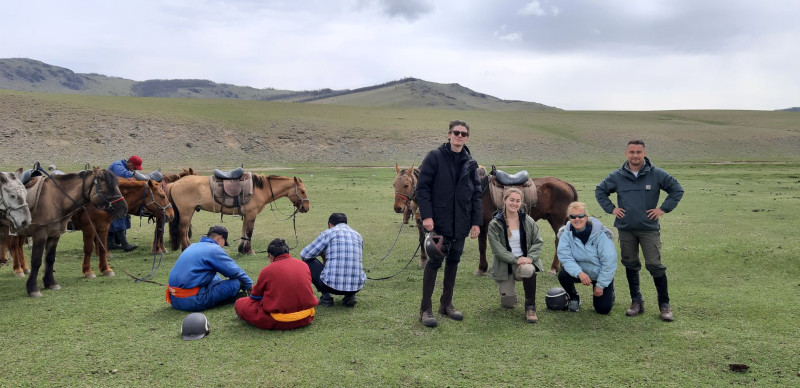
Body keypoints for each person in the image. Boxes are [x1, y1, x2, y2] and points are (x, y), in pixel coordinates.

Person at [595, 140, 684, 321]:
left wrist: (663, 209)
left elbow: (677, 190)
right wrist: (612, 209)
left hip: (649, 229)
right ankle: (636, 302)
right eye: (631, 152)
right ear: (626, 154)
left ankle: (664, 305)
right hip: (626, 228)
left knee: (655, 265)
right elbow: (600, 191)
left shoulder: (657, 174)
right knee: (630, 264)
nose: (635, 155)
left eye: (638, 152)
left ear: (645, 153)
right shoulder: (617, 175)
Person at [415, 120, 482, 327]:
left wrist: (476, 222)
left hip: (461, 223)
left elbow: (477, 195)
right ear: (449, 134)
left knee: (454, 262)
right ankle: (426, 309)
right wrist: (427, 216)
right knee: (434, 262)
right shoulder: (434, 157)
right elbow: (423, 188)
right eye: (456, 132)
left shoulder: (470, 163)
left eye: (463, 133)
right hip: (439, 222)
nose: (459, 136)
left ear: (467, 137)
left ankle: (446, 304)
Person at [487, 188, 543, 323]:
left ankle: (530, 307)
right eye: (511, 200)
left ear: (521, 203)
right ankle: (509, 292)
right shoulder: (495, 224)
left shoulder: (528, 220)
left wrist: (529, 258)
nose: (514, 203)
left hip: (524, 263)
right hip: (505, 265)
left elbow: (538, 242)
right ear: (505, 200)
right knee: (508, 304)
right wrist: (515, 260)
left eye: (518, 201)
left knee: (529, 269)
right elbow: (498, 250)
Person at [235, 238, 318, 330]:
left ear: (270, 256)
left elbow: (254, 297)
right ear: (288, 252)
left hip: (279, 320)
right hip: (307, 316)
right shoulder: (303, 265)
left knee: (240, 303)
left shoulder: (267, 270)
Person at [166, 225, 253, 312]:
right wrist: (249, 284)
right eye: (224, 243)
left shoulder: (193, 246)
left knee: (214, 276)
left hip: (174, 299)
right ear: (219, 238)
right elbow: (235, 271)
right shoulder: (214, 249)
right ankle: (226, 299)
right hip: (191, 301)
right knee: (238, 282)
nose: (223, 247)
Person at [556, 201, 617, 315]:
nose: (577, 219)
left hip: (599, 274)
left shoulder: (600, 234)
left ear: (586, 217)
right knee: (563, 274)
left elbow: (609, 261)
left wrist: (601, 284)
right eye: (573, 216)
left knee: (603, 310)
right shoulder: (566, 234)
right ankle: (574, 297)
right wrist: (579, 273)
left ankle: (609, 290)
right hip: (580, 273)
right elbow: (565, 257)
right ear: (569, 218)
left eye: (580, 216)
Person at [300, 213, 365, 307]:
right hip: (357, 286)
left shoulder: (329, 233)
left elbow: (305, 254)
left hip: (330, 285)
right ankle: (350, 296)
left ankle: (326, 298)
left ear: (330, 224)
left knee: (307, 261)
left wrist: (322, 253)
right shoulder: (357, 235)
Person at [107, 155, 144, 251]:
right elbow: (122, 173)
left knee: (115, 219)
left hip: (114, 196)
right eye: (135, 167)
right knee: (119, 217)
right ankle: (125, 245)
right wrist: (132, 176)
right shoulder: (117, 164)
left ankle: (110, 243)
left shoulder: (124, 167)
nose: (135, 169)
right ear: (130, 163)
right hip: (111, 196)